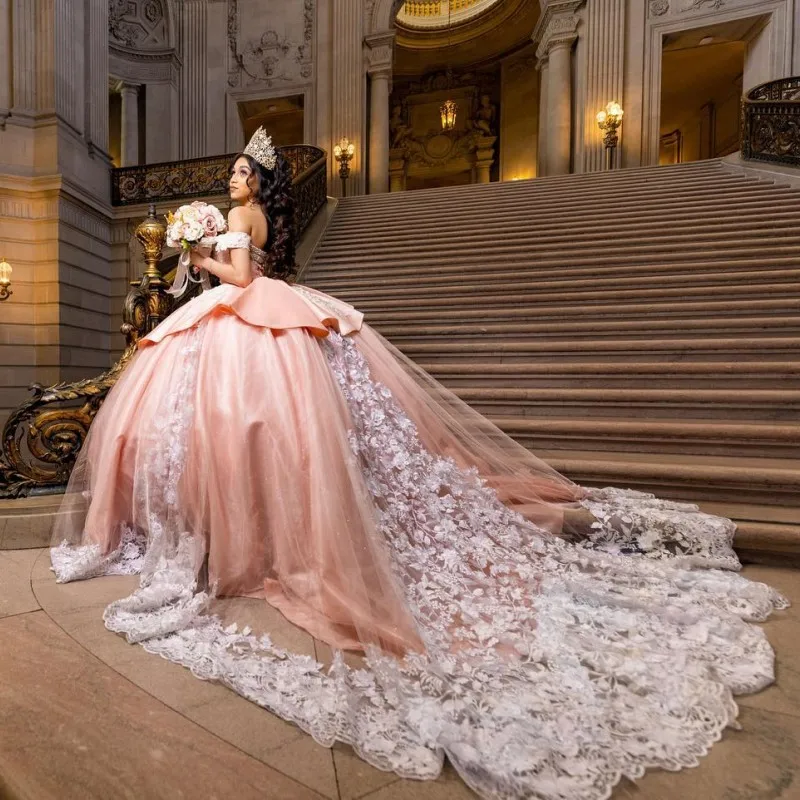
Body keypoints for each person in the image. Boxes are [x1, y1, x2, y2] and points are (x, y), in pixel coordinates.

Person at [51, 127, 787, 800]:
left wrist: (199, 250)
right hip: (258, 314)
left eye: (244, 173)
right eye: (237, 172)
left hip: (248, 318)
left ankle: (245, 537)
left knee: (243, 421)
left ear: (256, 188)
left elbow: (239, 283)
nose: (236, 179)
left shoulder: (239, 223)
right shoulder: (249, 216)